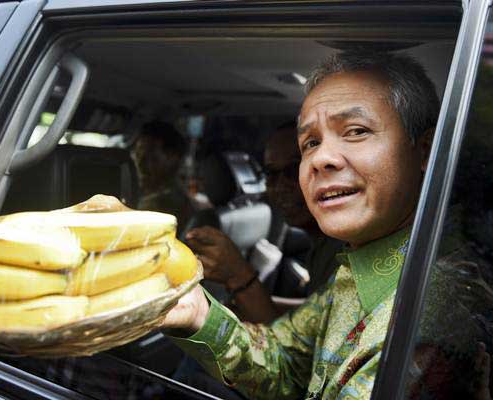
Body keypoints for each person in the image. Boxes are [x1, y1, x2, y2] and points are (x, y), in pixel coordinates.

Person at [162, 51, 449, 399]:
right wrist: (198, 314)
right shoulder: (357, 268)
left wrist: (240, 277)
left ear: (425, 152)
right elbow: (286, 361)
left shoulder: (433, 314)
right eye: (311, 143)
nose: (321, 158)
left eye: (356, 131)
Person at [186, 122, 342, 324]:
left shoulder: (342, 251)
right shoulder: (321, 245)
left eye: (294, 170)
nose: (280, 186)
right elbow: (316, 315)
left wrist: (239, 275)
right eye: (271, 174)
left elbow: (301, 349)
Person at [132, 120, 194, 233]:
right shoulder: (143, 193)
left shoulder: (166, 206)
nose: (140, 164)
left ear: (172, 158)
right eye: (137, 154)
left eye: (151, 157)